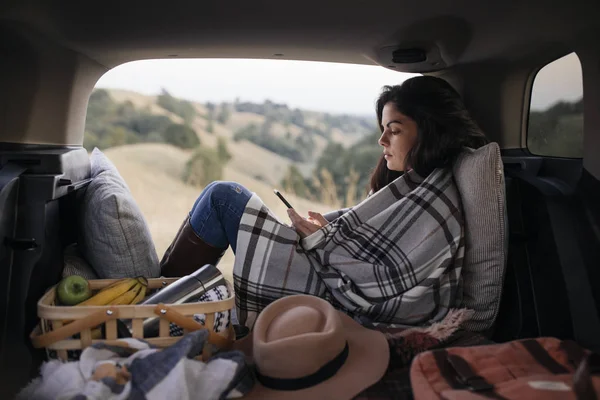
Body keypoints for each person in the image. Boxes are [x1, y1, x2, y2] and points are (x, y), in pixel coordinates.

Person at [160, 76, 489, 328]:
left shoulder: (435, 198)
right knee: (223, 196)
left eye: (395, 130)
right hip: (332, 276)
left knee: (224, 197)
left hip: (340, 299)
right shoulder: (420, 183)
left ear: (428, 131)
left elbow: (386, 281)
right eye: (383, 129)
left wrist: (323, 242)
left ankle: (153, 306)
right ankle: (157, 301)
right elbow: (376, 249)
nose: (382, 140)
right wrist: (328, 233)